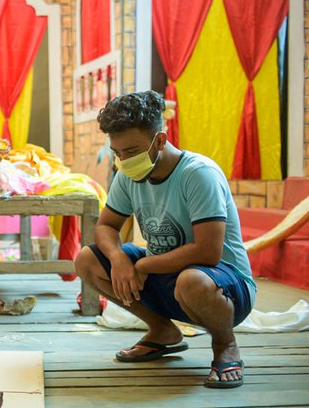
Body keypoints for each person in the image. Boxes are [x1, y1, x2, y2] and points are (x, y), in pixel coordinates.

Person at [75, 91, 256, 389]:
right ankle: (163, 332)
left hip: (223, 285)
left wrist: (144, 265)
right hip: (167, 275)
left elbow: (208, 252)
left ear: (159, 140)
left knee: (191, 281)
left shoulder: (199, 174)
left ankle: (226, 345)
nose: (123, 161)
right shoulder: (127, 176)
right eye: (117, 153)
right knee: (87, 259)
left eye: (131, 151)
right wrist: (119, 258)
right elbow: (106, 226)